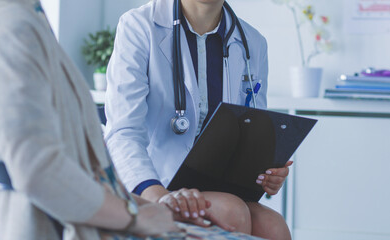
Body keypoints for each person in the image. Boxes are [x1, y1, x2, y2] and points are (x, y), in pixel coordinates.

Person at [105, 0, 292, 239]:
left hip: (216, 185)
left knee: (272, 225)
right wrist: (158, 195)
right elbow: (123, 132)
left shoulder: (252, 42)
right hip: (152, 183)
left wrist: (264, 172)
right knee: (230, 211)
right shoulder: (139, 26)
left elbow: (252, 127)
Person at [0, 0, 180, 239]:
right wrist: (132, 216)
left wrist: (141, 205)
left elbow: (81, 166)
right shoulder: (13, 27)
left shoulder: (30, 20)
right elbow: (37, 170)